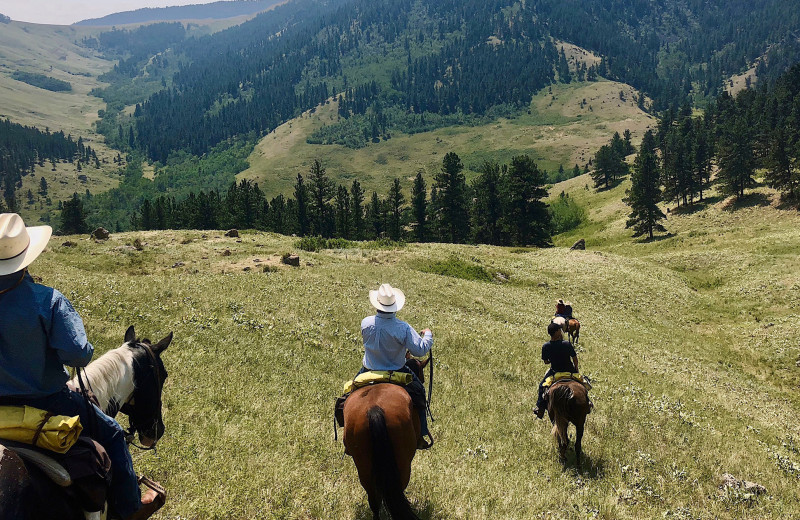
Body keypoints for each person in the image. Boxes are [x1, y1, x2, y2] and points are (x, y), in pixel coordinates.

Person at [0, 213, 163, 520]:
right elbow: (78, 355)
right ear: (25, 255)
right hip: (49, 401)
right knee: (113, 433)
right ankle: (130, 508)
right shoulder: (46, 300)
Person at [358, 283, 433, 449]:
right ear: (395, 306)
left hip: (368, 370)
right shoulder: (403, 328)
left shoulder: (365, 323)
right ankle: (421, 433)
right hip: (397, 371)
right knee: (419, 391)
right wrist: (428, 334)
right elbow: (420, 350)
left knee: (348, 394)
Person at [533, 321, 579, 419]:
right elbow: (574, 358)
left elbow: (546, 361)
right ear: (557, 332)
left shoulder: (546, 346)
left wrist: (552, 359)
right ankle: (588, 402)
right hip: (569, 370)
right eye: (560, 330)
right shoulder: (566, 344)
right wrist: (576, 368)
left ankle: (539, 408)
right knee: (583, 383)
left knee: (542, 386)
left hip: (554, 372)